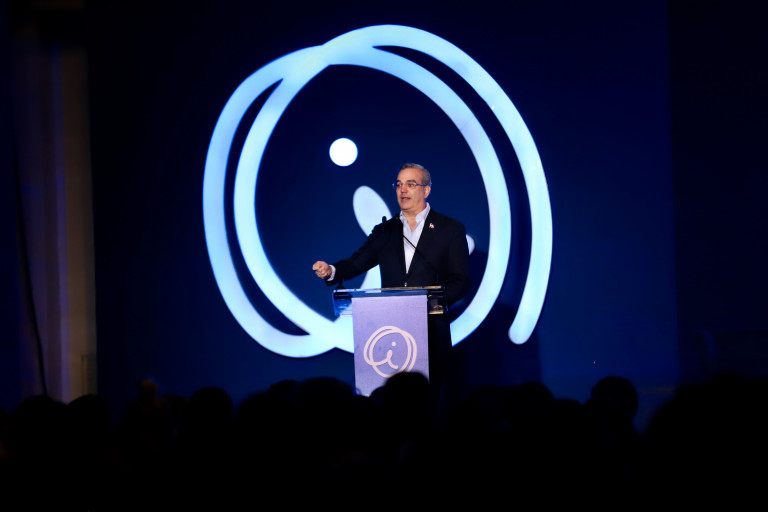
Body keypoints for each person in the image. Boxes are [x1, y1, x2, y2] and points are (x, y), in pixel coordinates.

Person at [312, 163, 470, 412]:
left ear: (426, 190)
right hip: (390, 334)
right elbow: (357, 262)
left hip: (430, 333)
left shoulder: (449, 229)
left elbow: (460, 280)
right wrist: (332, 270)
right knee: (388, 409)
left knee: (426, 408)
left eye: (410, 184)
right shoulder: (386, 231)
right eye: (398, 184)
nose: (402, 190)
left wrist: (428, 303)